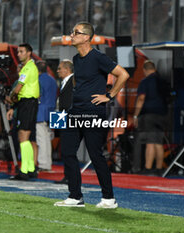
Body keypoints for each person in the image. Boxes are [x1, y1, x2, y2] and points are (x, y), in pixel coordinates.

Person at [54, 22, 129, 208]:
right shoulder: (76, 59)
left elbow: (123, 74)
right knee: (68, 152)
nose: (72, 35)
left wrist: (109, 96)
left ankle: (109, 198)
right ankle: (75, 196)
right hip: (75, 111)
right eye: (73, 32)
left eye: (76, 33)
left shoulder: (98, 58)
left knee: (95, 155)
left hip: (93, 113)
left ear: (87, 37)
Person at [7, 43, 39, 181]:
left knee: (23, 136)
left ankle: (24, 171)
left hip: (26, 103)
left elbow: (18, 87)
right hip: (30, 103)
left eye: (21, 51)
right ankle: (30, 168)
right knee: (28, 137)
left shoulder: (27, 68)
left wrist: (11, 98)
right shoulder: (31, 67)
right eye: (18, 51)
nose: (18, 54)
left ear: (29, 53)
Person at [132, 60, 168, 175]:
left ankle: (147, 169)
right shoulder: (162, 81)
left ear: (144, 70)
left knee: (150, 142)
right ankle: (159, 168)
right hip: (162, 114)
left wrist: (136, 115)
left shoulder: (145, 81)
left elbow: (141, 98)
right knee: (158, 142)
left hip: (149, 115)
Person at [54, 59, 74, 184]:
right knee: (65, 148)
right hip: (62, 117)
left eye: (60, 68)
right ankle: (68, 175)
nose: (58, 71)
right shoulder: (65, 82)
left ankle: (70, 176)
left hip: (68, 118)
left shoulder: (73, 82)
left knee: (69, 149)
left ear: (67, 69)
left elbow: (69, 103)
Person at [35, 60, 57, 171]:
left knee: (41, 139)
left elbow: (38, 95)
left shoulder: (38, 80)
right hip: (51, 111)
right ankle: (47, 162)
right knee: (47, 138)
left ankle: (43, 164)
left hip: (40, 112)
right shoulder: (52, 80)